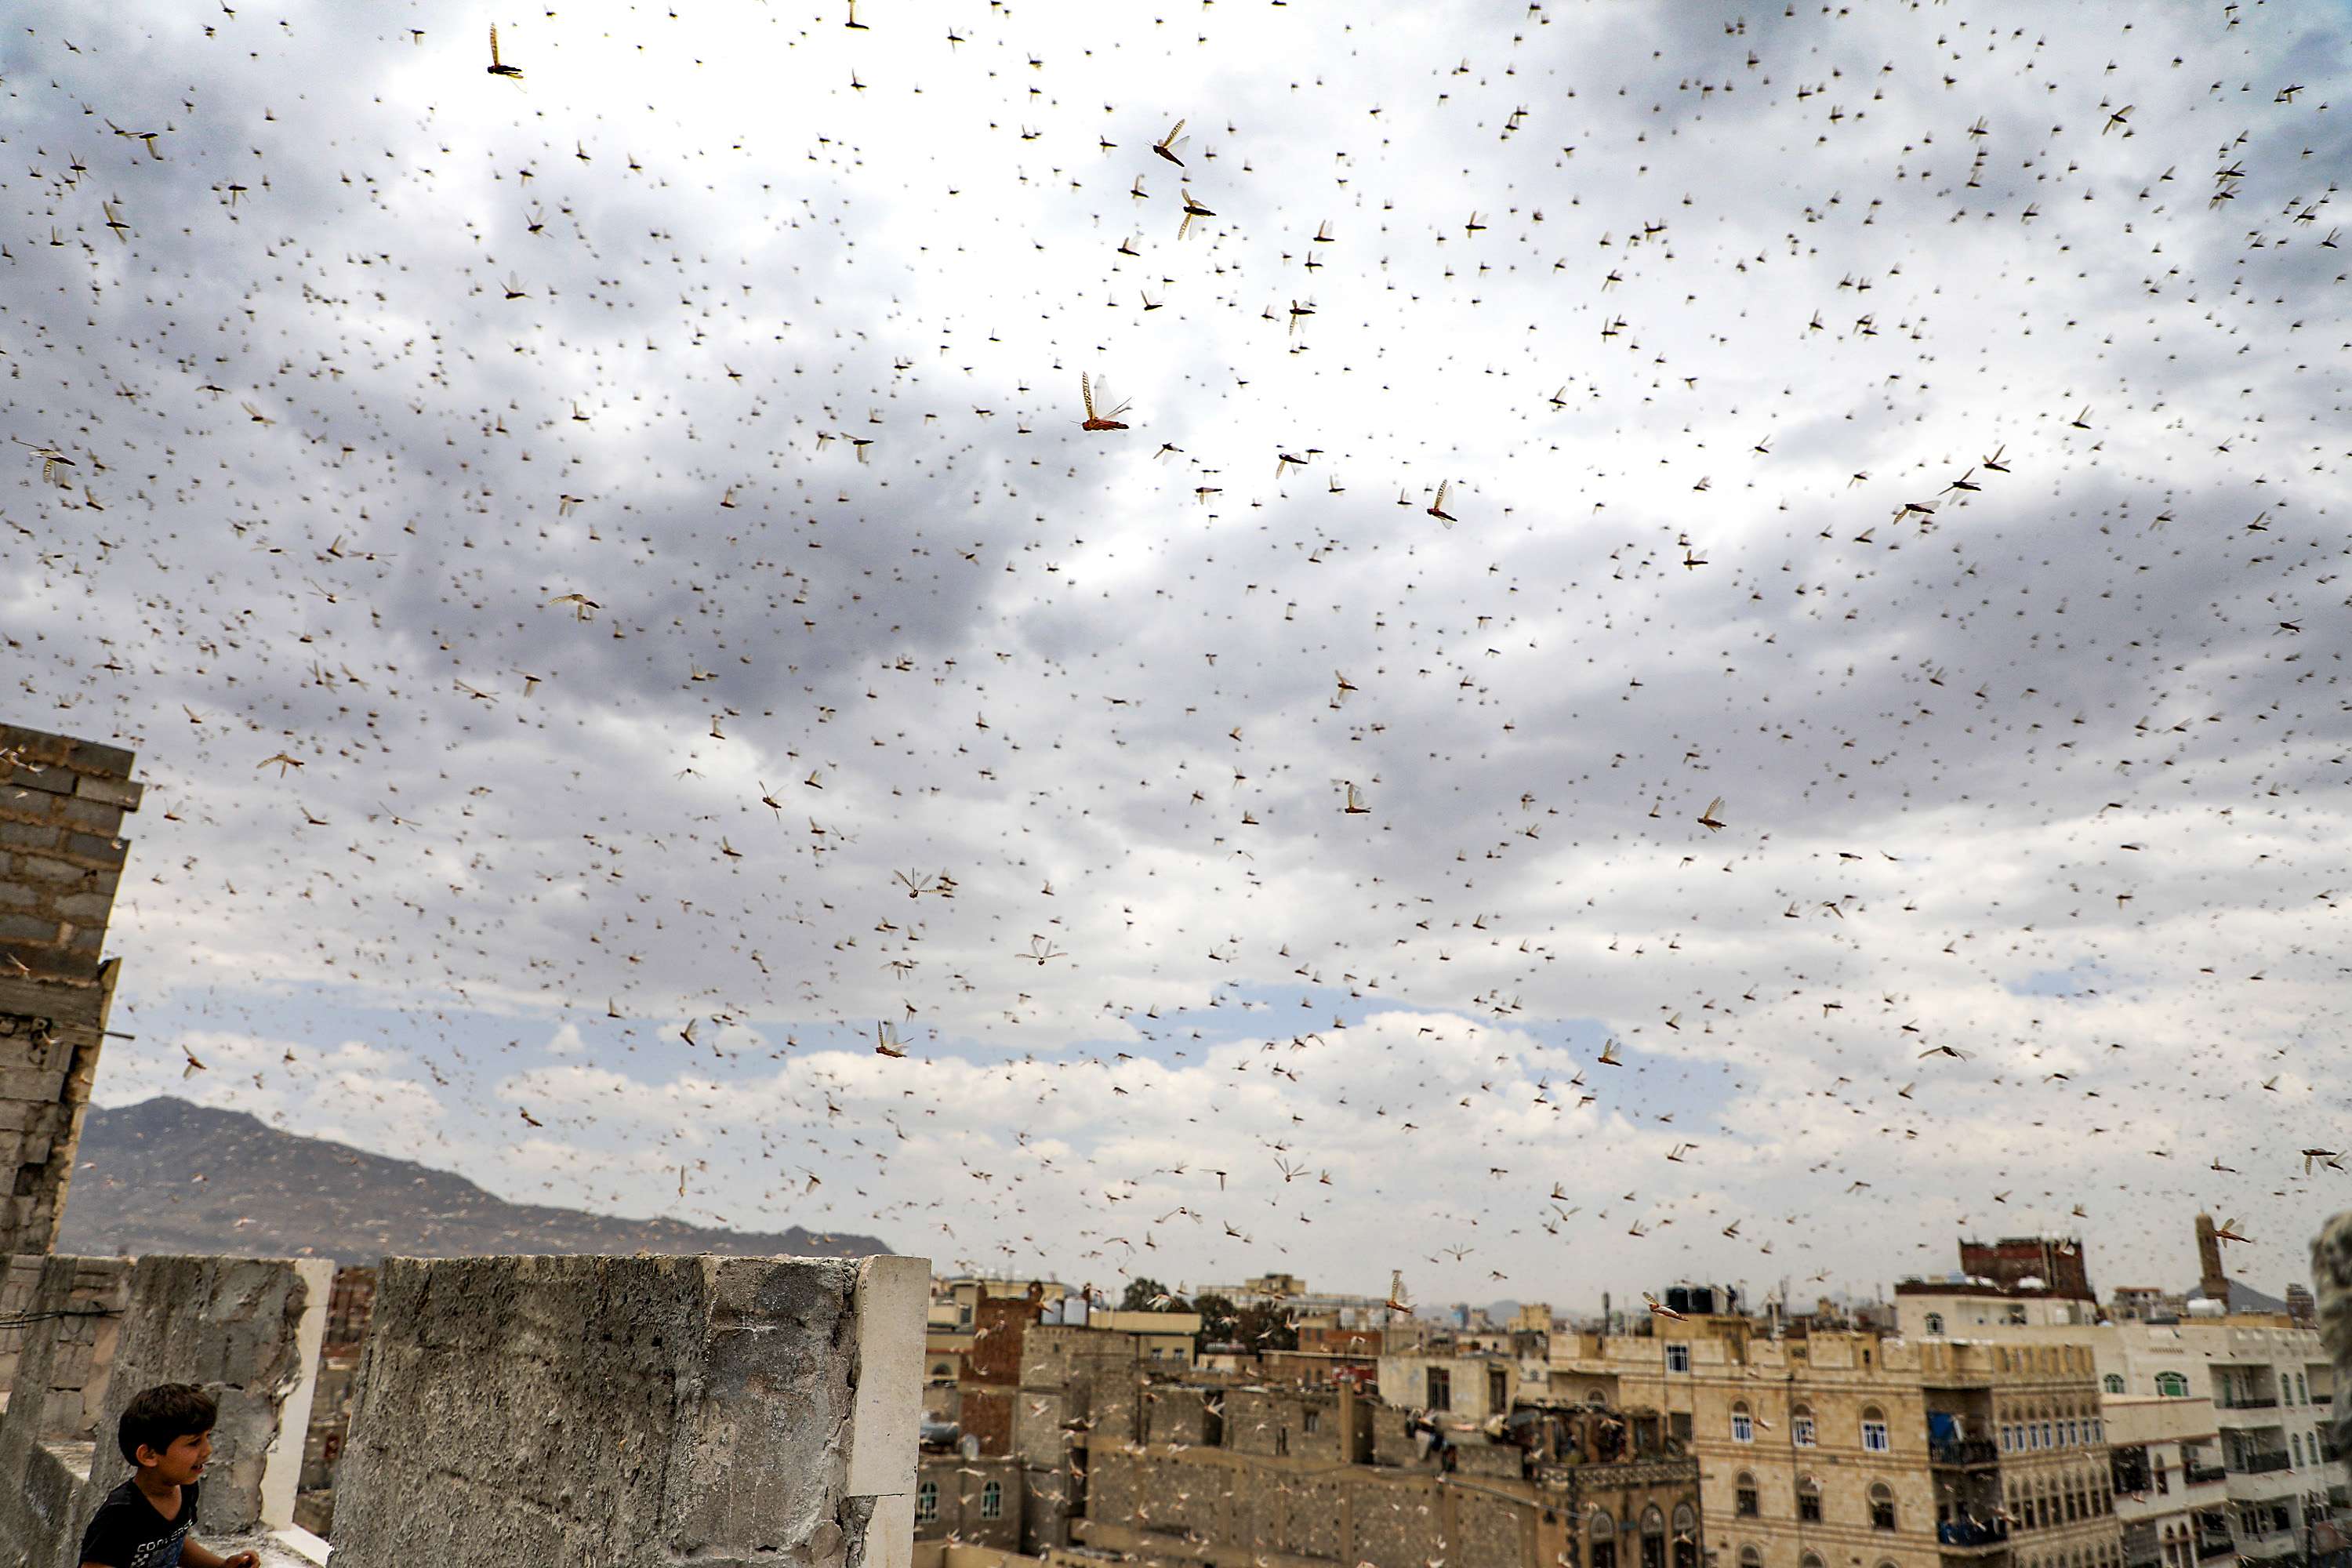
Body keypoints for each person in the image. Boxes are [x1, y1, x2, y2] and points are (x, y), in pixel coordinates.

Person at [78, 1383, 260, 1568]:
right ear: (149, 1455)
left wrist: (222, 1566)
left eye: (208, 1437)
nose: (208, 1450)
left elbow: (175, 1543)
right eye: (194, 1442)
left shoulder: (187, 1489)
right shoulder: (121, 1515)